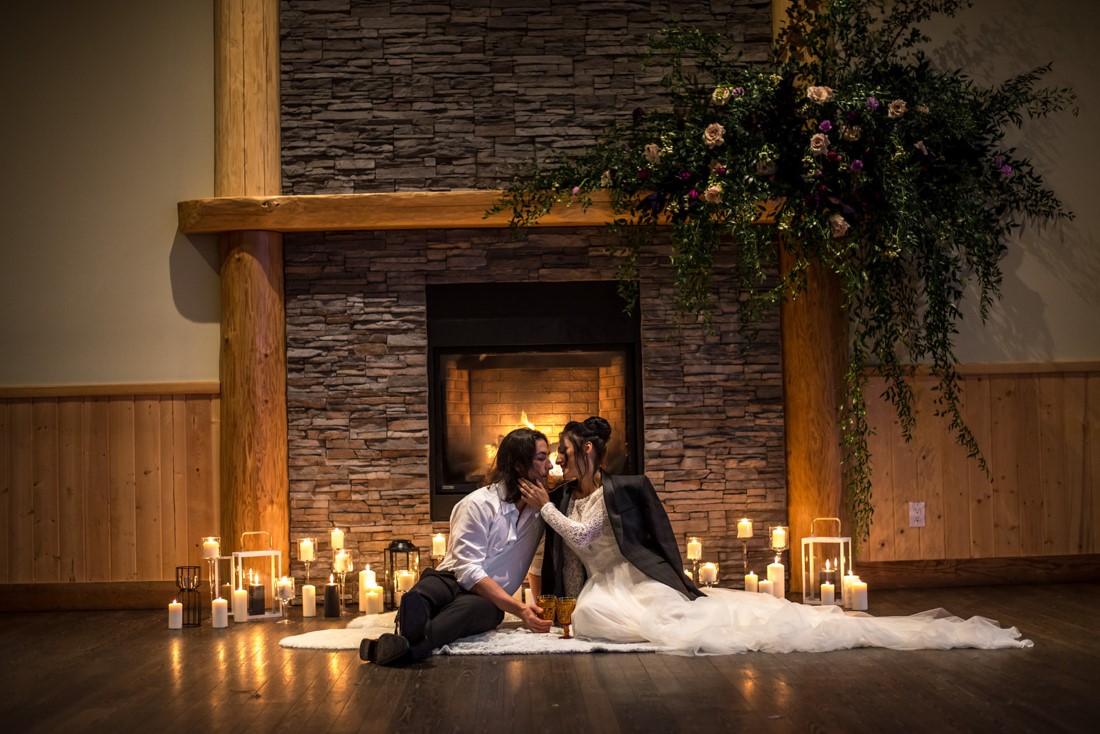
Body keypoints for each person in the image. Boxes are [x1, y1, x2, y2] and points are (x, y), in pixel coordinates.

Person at [519, 416, 1032, 654]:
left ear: (586, 452)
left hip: (624, 580)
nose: (558, 461)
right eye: (555, 456)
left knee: (608, 620)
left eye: (563, 452)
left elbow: (586, 539)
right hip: (595, 582)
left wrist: (543, 508)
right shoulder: (565, 496)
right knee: (587, 617)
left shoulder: (610, 492)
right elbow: (557, 550)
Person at [360, 427, 554, 666]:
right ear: (518, 464)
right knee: (427, 592)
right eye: (542, 458)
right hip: (451, 579)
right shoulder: (477, 504)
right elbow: (468, 571)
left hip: (490, 600)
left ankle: (402, 643)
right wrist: (521, 609)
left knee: (474, 610)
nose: (551, 466)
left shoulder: (542, 512)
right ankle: (412, 619)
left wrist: (528, 605)